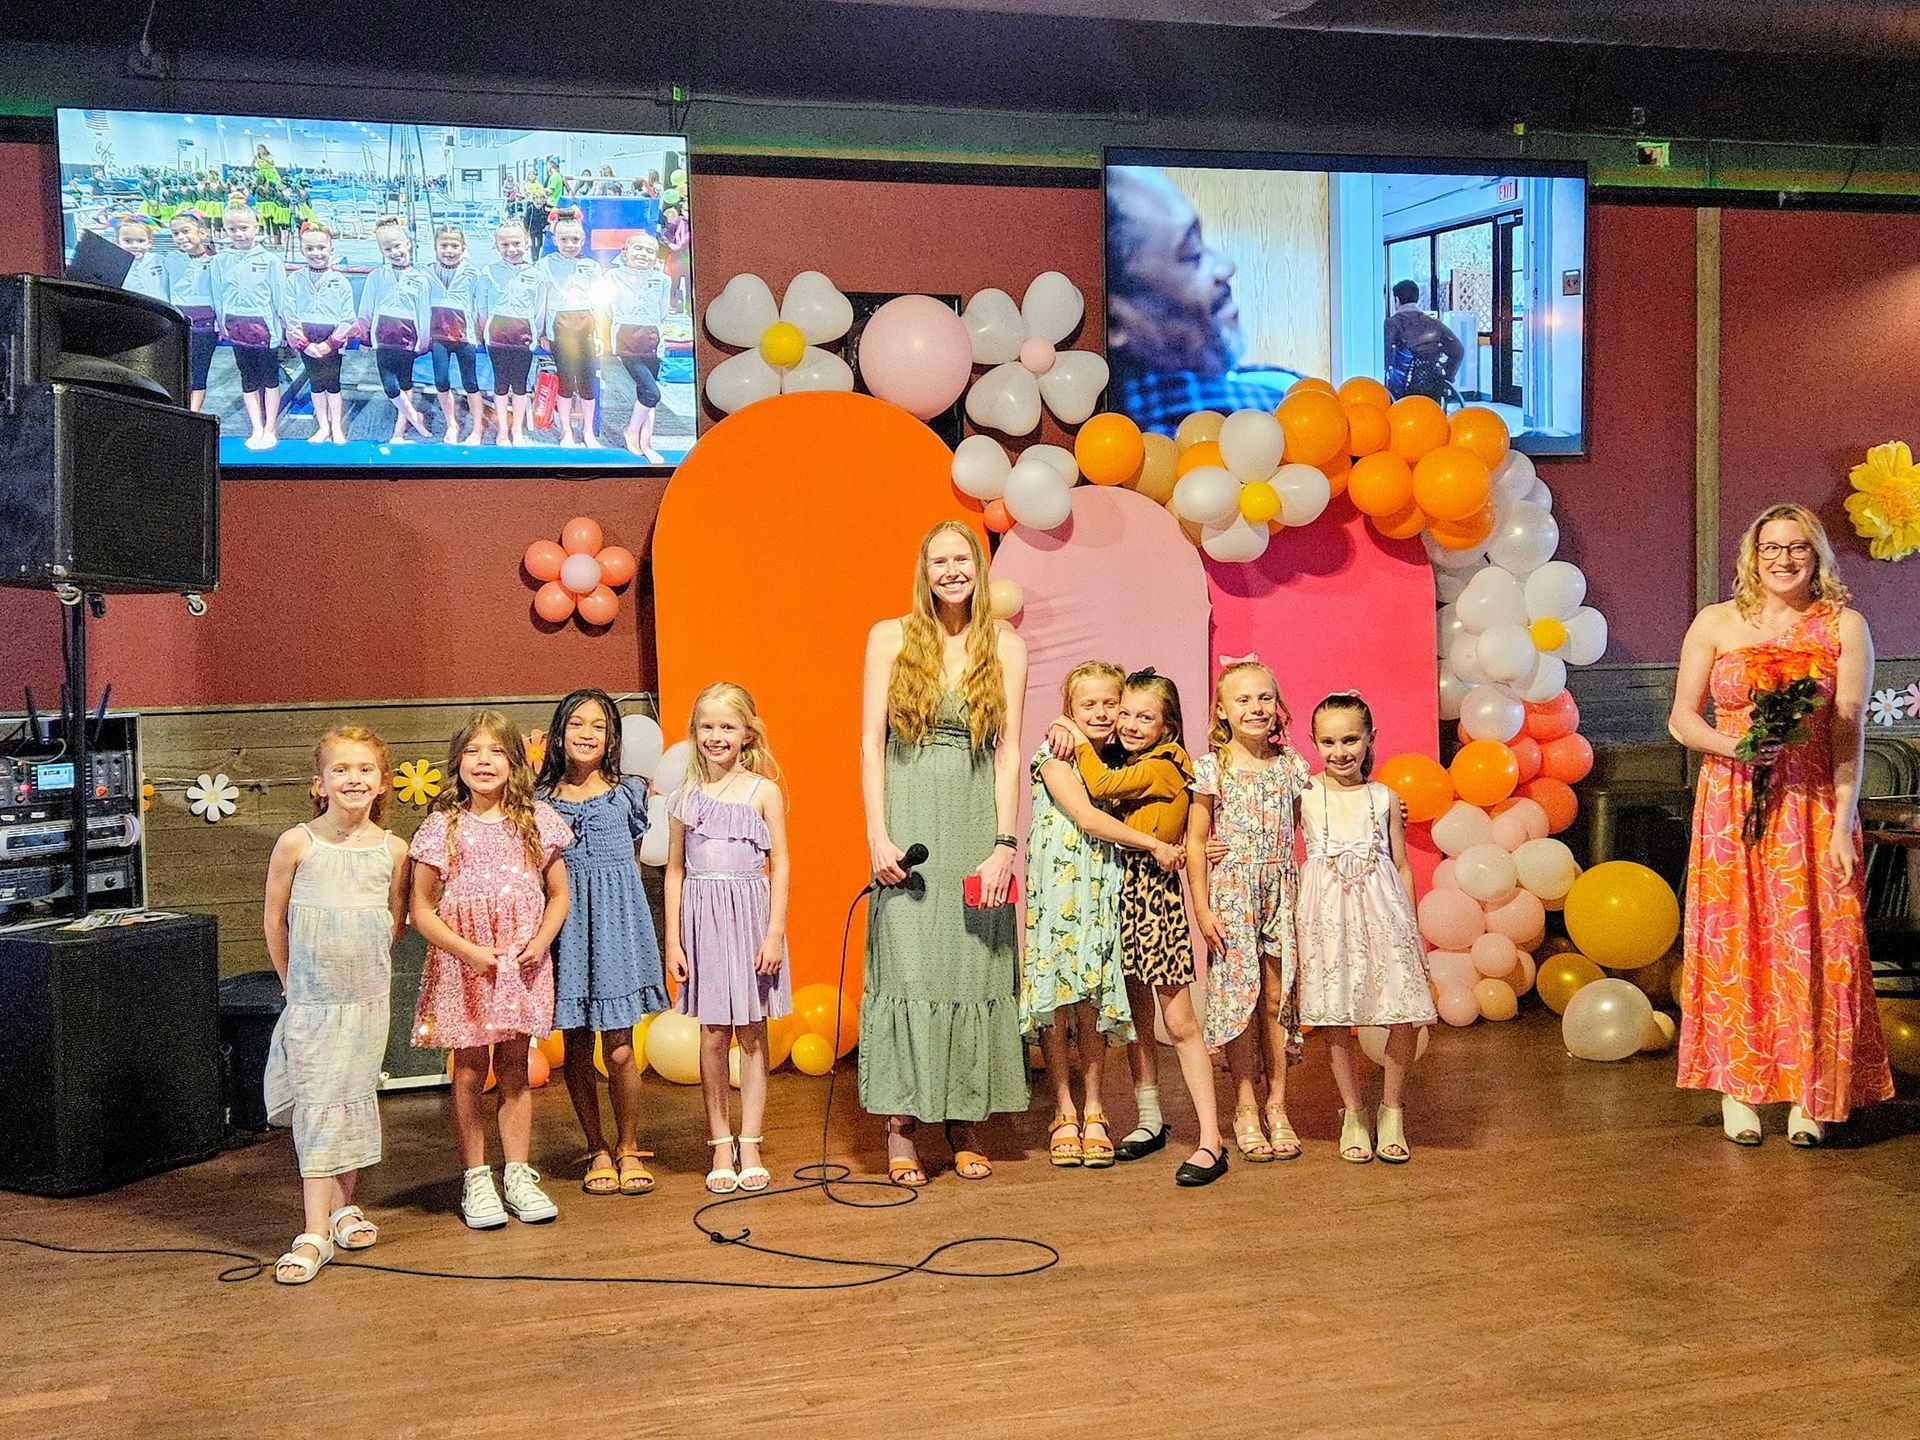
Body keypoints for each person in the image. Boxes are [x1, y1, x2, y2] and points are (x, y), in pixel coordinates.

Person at [1669, 502, 1891, 1145]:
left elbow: (1849, 731)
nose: (1784, 559)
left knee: (1817, 945)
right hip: (1732, 800)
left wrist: (1844, 821)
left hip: (1814, 801)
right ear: (1753, 555)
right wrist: (1732, 745)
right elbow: (1682, 717)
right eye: (1772, 548)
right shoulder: (1715, 621)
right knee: (1738, 942)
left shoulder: (1845, 626)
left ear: (1816, 554)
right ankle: (1739, 1087)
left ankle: (1810, 1094)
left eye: (1797, 547)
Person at [859, 520, 1028, 1186]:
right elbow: (870, 745)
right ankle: (902, 1124)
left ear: (979, 570)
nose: (952, 570)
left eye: (963, 559)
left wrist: (1003, 846)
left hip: (972, 823)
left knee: (972, 970)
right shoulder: (889, 637)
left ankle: (965, 1117)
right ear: (923, 570)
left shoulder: (1006, 646)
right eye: (940, 560)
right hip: (908, 821)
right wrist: (877, 834)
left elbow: (1009, 753)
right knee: (908, 970)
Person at [409, 711, 573, 1228]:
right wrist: (469, 952)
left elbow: (559, 894)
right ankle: (476, 1179)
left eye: (496, 751)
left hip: (520, 965)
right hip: (466, 968)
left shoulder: (536, 820)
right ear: (457, 763)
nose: (484, 761)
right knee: (471, 1069)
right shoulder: (443, 826)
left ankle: (519, 1174)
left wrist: (540, 941)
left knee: (515, 1068)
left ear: (514, 762)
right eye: (474, 752)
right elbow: (420, 908)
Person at [1067, 668, 1230, 1186]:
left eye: (1145, 716)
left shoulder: (1165, 763)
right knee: (1137, 1017)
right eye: (1126, 714)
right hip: (1121, 892)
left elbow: (1101, 784)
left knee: (1179, 1023)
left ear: (1168, 725)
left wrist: (1071, 732)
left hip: (1154, 900)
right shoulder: (1135, 757)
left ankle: (1212, 1140)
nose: (1131, 724)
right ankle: (1150, 1120)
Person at [261, 726, 411, 1284]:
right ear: (319, 783)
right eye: (341, 770)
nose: (354, 779)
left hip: (366, 1001)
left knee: (351, 1095)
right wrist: (291, 982)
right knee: (319, 1105)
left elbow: (393, 923)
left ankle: (344, 1206)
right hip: (313, 1002)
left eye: (365, 769)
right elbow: (275, 920)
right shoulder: (298, 843)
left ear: (381, 782)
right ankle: (313, 1232)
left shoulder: (394, 851)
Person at [1020, 662, 1169, 1172]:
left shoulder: (1118, 760)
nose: (1103, 713)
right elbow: (1085, 817)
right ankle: (1062, 1110)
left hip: (1103, 891)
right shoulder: (1057, 752)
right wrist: (1154, 844)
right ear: (1070, 709)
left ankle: (1095, 1109)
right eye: (1090, 705)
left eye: (1112, 703)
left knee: (1092, 1004)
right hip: (1062, 892)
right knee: (1058, 1004)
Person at [1295, 692, 1436, 1163]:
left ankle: (1391, 1109)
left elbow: (1402, 863)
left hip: (1383, 910)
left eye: (1351, 739)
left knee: (1401, 1011)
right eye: (1329, 741)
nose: (1341, 751)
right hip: (1327, 915)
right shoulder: (1306, 795)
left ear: (1370, 738)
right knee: (1336, 1016)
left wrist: (1410, 923)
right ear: (1314, 743)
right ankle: (1353, 1112)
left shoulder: (1384, 797)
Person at [537, 690, 666, 1198]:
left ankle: (629, 1145)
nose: (587, 733)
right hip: (567, 928)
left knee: (618, 1050)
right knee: (575, 1045)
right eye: (577, 724)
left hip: (616, 927)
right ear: (559, 733)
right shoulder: (541, 801)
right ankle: (596, 1148)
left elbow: (631, 866)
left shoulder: (630, 792)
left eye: (598, 725)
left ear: (611, 736)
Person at [665, 683, 792, 1195]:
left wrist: (775, 931)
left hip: (751, 917)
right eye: (707, 726)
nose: (716, 736)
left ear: (747, 733)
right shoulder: (683, 798)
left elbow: (780, 861)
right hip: (701, 918)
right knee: (713, 1033)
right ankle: (720, 1141)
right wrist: (673, 939)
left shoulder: (763, 791)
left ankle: (752, 1138)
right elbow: (674, 870)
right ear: (695, 732)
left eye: (727, 726)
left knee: (753, 1033)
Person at [1187, 659, 1310, 1163]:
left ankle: (1277, 1102)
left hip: (1281, 886)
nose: (1256, 708)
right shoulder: (1211, 766)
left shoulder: (1292, 765)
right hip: (1232, 892)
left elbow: (1310, 825)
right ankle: (1243, 1105)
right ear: (1222, 709)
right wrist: (1202, 906)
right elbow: (1195, 842)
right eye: (1243, 700)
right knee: (1239, 996)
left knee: (1278, 995)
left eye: (1264, 698)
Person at [1104, 166, 1306, 435]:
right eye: (1192, 252)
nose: (1226, 266)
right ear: (1115, 322)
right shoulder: (1247, 415)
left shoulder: (1245, 381)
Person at [210, 202, 287, 450]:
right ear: (225, 231)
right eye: (232, 229)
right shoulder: (220, 261)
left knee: (270, 379)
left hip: (264, 329)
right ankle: (256, 426)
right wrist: (221, 323)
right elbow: (217, 295)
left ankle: (270, 427)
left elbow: (279, 297)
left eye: (243, 228)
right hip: (237, 329)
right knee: (248, 379)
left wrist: (281, 329)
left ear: (256, 228)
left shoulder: (271, 260)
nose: (238, 233)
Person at [358, 217, 434, 445]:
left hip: (407, 340)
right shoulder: (376, 277)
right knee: (390, 387)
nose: (394, 252)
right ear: (381, 251)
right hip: (383, 340)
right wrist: (364, 336)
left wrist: (423, 340)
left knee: (405, 383)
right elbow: (366, 309)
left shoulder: (420, 279)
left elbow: (423, 312)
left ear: (408, 244)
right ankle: (415, 418)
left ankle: (398, 432)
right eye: (388, 249)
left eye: (398, 246)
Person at [597, 231, 670, 459]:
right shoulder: (612, 277)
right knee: (652, 392)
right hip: (627, 340)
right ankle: (630, 430)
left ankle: (646, 442)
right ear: (625, 252)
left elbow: (663, 311)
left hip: (653, 340)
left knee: (646, 395)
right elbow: (603, 308)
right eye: (638, 248)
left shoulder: (663, 279)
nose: (643, 254)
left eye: (649, 251)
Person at [534, 208, 604, 447]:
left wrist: (599, 334)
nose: (570, 244)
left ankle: (587, 432)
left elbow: (599, 303)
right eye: (564, 239)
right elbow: (540, 301)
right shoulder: (544, 265)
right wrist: (542, 332)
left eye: (575, 239)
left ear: (583, 240)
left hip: (585, 334)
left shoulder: (592, 267)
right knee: (566, 382)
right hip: (559, 334)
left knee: (586, 383)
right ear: (555, 240)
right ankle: (566, 431)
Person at [282, 222, 356, 445]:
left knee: (332, 383)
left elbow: (348, 318)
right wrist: (305, 344)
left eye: (321, 248)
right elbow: (289, 313)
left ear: (331, 250)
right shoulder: (295, 280)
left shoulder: (340, 282)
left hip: (330, 339)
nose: (316, 253)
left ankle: (336, 426)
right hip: (307, 339)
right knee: (316, 383)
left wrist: (330, 343)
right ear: (302, 251)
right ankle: (323, 426)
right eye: (310, 249)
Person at [480, 220, 547, 447]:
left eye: (516, 243)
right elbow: (482, 307)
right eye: (505, 244)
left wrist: (535, 333)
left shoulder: (536, 275)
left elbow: (539, 310)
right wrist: (483, 331)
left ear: (526, 243)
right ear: (496, 246)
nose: (511, 249)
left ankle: (517, 430)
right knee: (500, 384)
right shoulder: (488, 272)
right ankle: (502, 430)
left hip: (523, 338)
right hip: (497, 338)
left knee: (519, 385)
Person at [426, 226, 487, 445]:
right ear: (435, 248)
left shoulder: (473, 273)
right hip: (438, 336)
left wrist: (481, 333)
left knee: (470, 382)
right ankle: (452, 423)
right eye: (444, 246)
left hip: (465, 336)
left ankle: (477, 429)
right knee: (441, 380)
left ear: (463, 248)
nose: (449, 250)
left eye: (454, 246)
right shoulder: (426, 273)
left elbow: (479, 305)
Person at [163, 210, 220, 412]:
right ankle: (177, 410)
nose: (180, 237)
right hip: (177, 327)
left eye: (185, 231)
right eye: (175, 233)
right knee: (176, 372)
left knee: (197, 373)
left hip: (204, 329)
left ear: (202, 233)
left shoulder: (216, 262)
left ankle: (192, 414)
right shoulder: (170, 260)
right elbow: (164, 293)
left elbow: (220, 297)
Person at [1383, 279, 1464, 404]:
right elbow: (1458, 351)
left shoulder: (1392, 323)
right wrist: (1447, 376)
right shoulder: (1435, 324)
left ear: (1397, 300)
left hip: (1401, 392)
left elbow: (1386, 355)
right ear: (1417, 299)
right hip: (1433, 387)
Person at [113, 217, 168, 303]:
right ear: (117, 242)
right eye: (127, 241)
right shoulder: (113, 265)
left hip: (161, 311)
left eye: (141, 241)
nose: (135, 245)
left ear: (149, 243)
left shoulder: (160, 261)